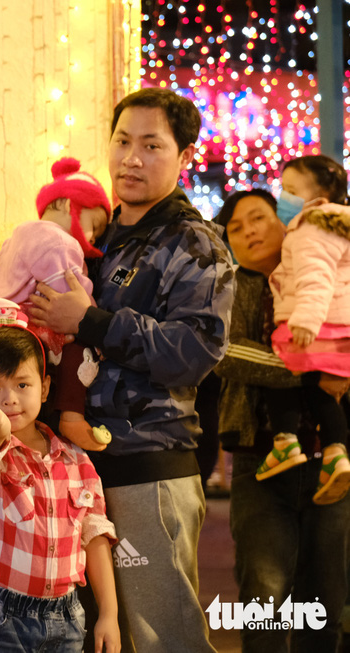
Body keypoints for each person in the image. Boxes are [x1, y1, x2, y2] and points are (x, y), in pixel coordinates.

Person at [29, 87, 235, 652]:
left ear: (184, 156)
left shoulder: (195, 243)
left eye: (151, 145)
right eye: (123, 141)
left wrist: (92, 322)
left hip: (149, 467)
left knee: (162, 637)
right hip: (76, 474)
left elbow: (196, 351)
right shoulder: (98, 239)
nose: (131, 158)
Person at [214, 187, 350, 651]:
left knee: (326, 600)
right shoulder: (230, 286)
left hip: (331, 465)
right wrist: (315, 370)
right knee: (264, 602)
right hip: (260, 462)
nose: (249, 231)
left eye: (258, 218)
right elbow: (228, 356)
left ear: (284, 222)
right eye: (236, 228)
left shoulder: (333, 273)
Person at [0, 301, 120, 653]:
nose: (9, 399)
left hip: (67, 616)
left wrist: (109, 612)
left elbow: (94, 537)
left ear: (44, 388)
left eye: (21, 384)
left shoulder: (78, 461)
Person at [0, 157, 113, 452]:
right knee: (81, 348)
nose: (94, 237)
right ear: (66, 205)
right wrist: (92, 314)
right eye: (94, 225)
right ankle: (71, 417)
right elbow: (70, 296)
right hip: (25, 324)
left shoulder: (21, 233)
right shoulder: (58, 242)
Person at [254, 155, 350, 504]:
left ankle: (285, 441)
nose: (285, 199)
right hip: (338, 329)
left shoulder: (311, 227)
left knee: (279, 372)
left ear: (321, 196)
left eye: (292, 191)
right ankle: (336, 454)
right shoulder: (336, 226)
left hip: (316, 326)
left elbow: (315, 277)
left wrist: (306, 320)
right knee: (320, 391)